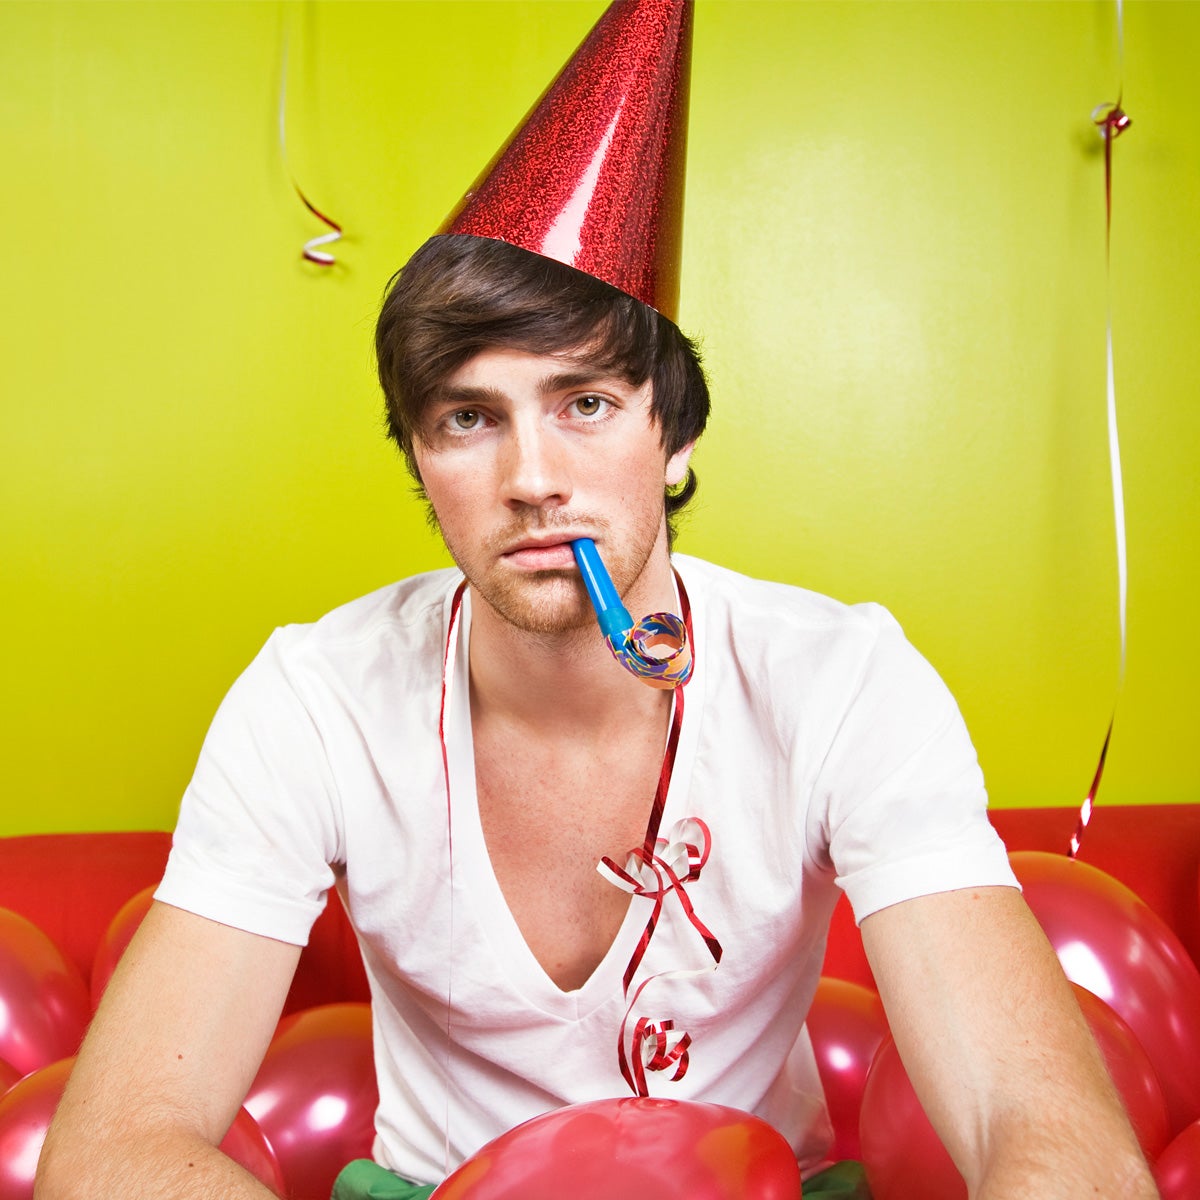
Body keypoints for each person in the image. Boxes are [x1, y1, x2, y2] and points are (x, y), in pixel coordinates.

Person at [38, 3, 1159, 1199]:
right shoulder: (317, 703)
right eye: (470, 418)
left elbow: (1040, 1122)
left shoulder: (842, 683)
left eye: (586, 404)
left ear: (674, 436)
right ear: (418, 458)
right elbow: (111, 1154)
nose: (532, 479)